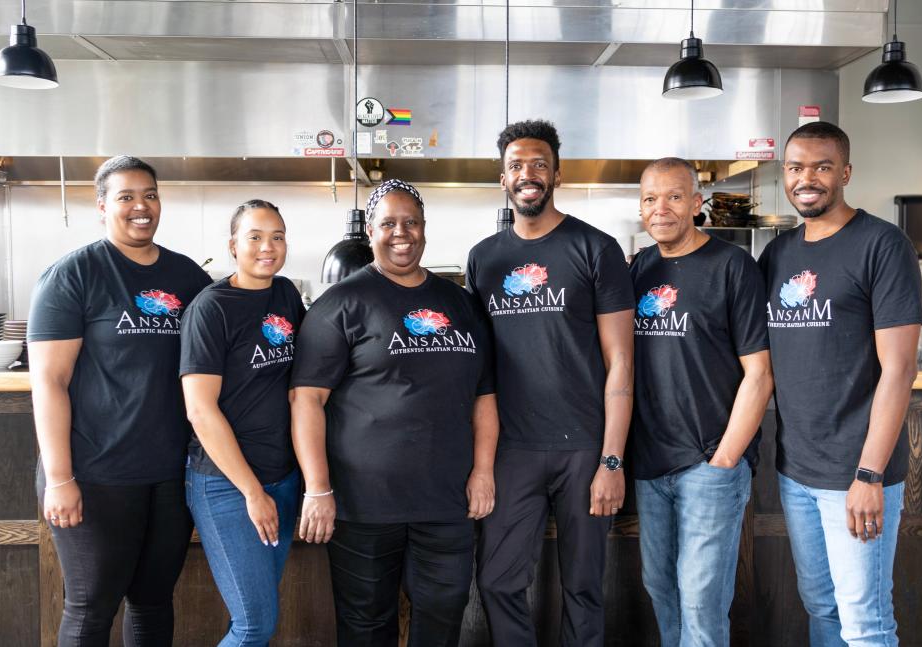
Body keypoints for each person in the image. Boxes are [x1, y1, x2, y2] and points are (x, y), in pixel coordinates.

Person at [290, 179, 498, 647]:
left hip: (446, 501)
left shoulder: (459, 304)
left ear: (424, 229)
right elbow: (306, 399)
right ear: (370, 230)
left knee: (443, 618)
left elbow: (484, 395)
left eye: (410, 222)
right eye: (388, 223)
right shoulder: (341, 303)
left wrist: (483, 471)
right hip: (364, 503)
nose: (400, 232)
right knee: (366, 625)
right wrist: (318, 488)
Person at [28, 156, 212, 646]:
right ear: (102, 206)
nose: (140, 207)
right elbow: (48, 381)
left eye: (149, 195)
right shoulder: (74, 275)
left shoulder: (187, 277)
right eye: (126, 196)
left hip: (170, 474)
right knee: (91, 607)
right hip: (94, 473)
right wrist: (61, 478)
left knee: (153, 602)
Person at [467, 120, 634, 647]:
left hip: (583, 446)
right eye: (516, 165)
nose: (528, 174)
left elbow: (621, 362)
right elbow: (479, 367)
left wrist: (612, 460)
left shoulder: (596, 248)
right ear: (502, 179)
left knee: (584, 585)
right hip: (512, 447)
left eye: (539, 163)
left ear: (557, 173)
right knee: (497, 580)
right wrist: (482, 462)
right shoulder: (484, 258)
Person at [758, 122, 922, 646]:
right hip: (797, 471)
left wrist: (870, 474)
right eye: (796, 167)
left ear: (845, 172)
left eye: (822, 166)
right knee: (822, 608)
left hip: (857, 473)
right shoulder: (778, 255)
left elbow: (900, 369)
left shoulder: (883, 245)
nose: (807, 178)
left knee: (865, 623)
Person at [630, 157, 774, 646]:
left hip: (708, 463)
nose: (661, 208)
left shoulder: (733, 267)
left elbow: (759, 372)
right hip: (651, 463)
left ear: (696, 204)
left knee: (700, 599)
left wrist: (725, 459)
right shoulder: (639, 268)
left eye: (673, 196)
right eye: (650, 198)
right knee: (661, 588)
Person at [179, 200, 304, 646]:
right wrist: (252, 491)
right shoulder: (211, 309)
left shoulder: (286, 294)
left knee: (260, 618)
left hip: (284, 479)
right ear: (233, 245)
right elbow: (200, 409)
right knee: (254, 625)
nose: (267, 247)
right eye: (254, 237)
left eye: (277, 236)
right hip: (227, 487)